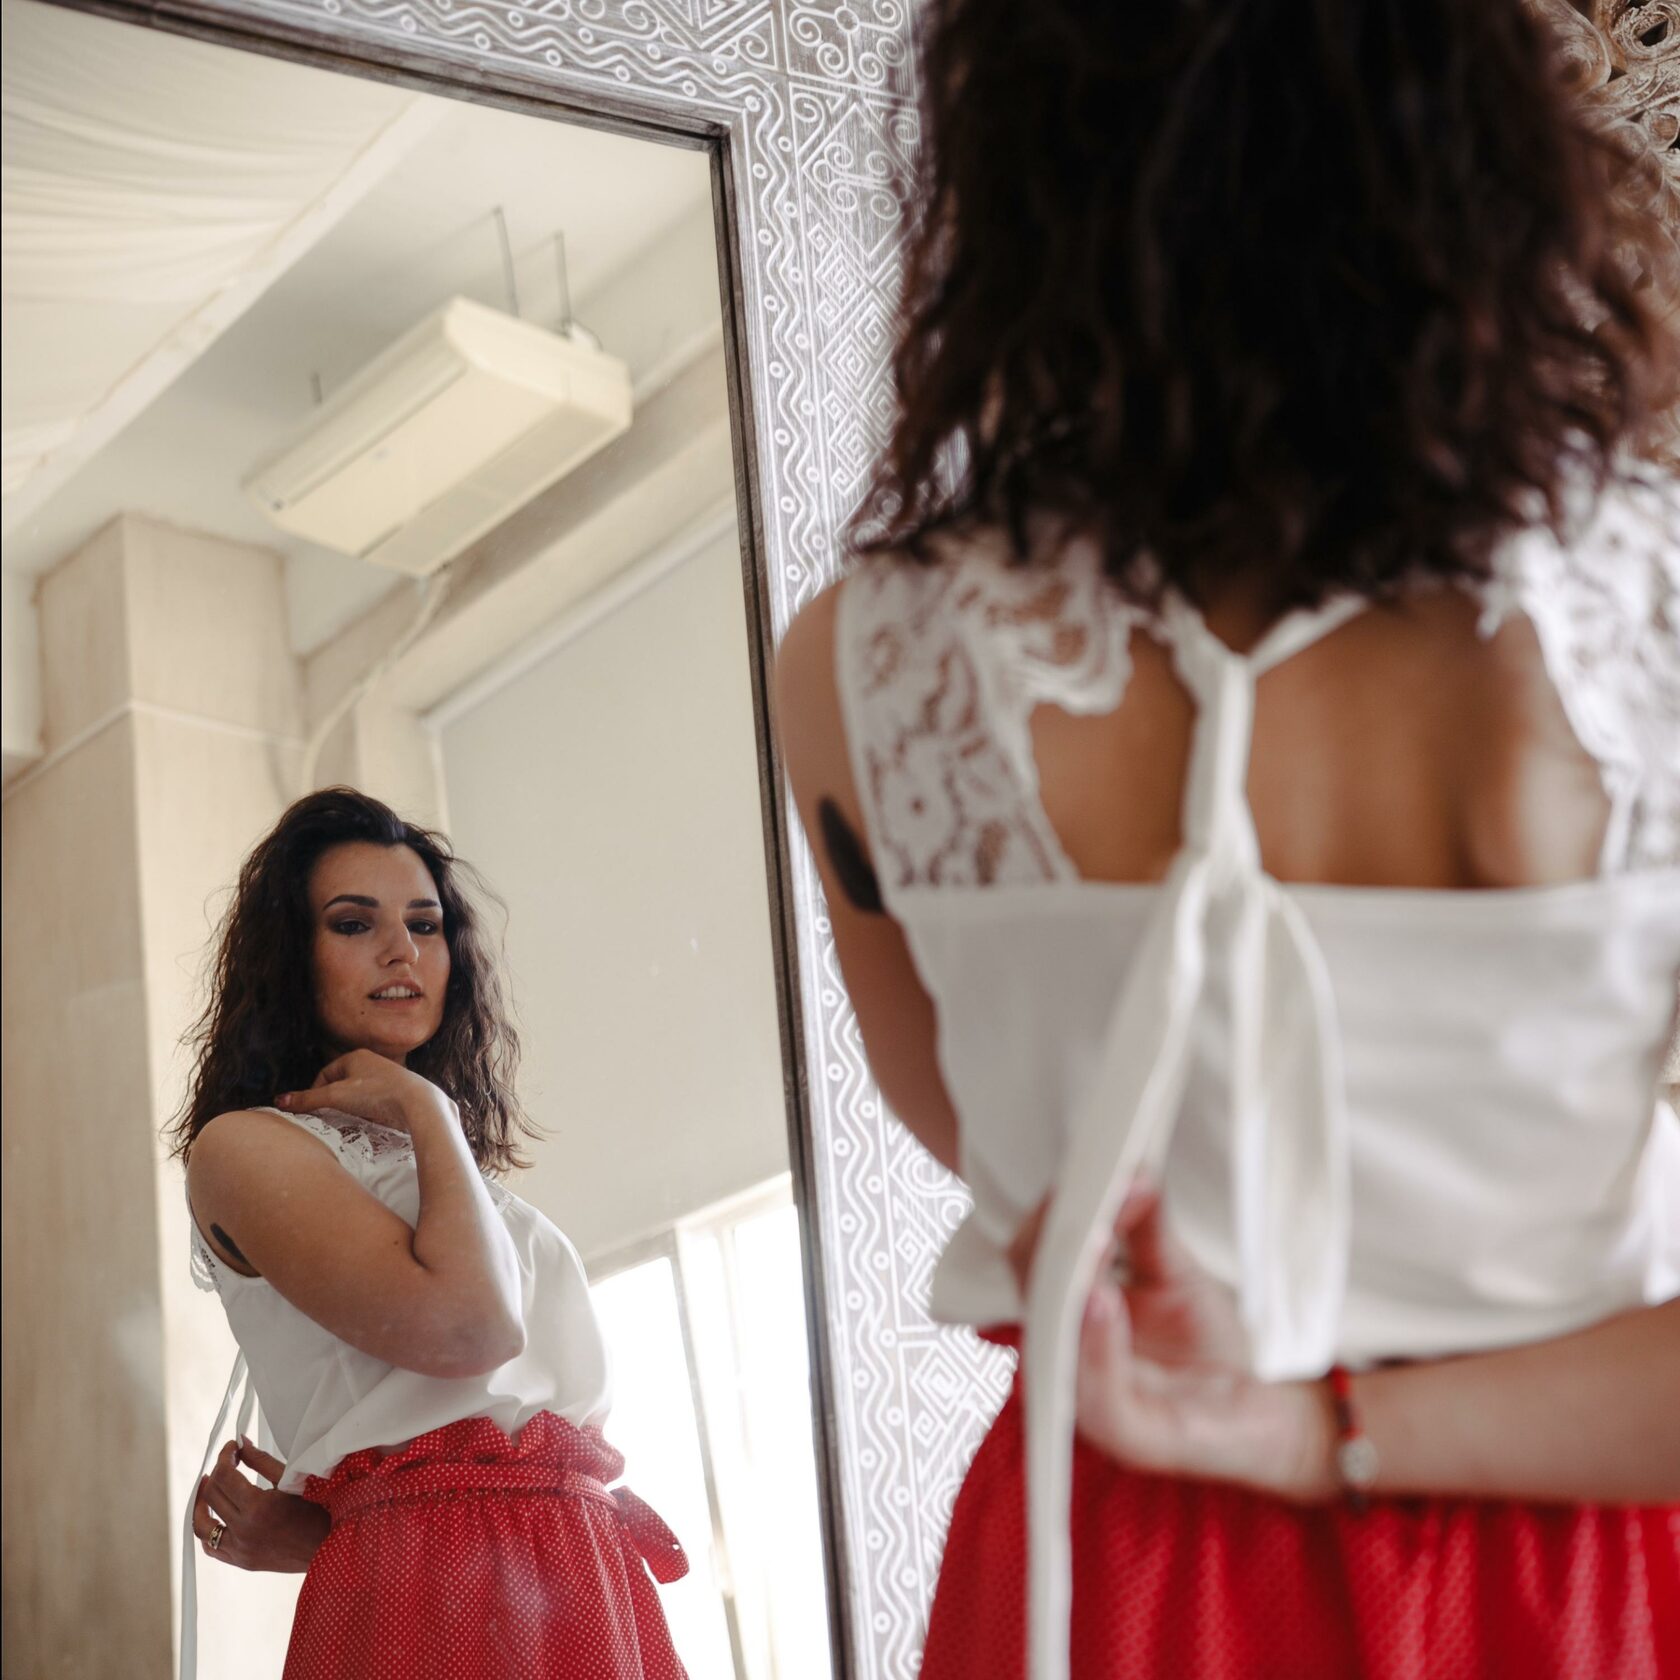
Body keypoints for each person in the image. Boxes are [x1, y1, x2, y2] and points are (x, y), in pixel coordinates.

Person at [774, 2, 1680, 1676]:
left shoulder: (857, 666)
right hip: (1567, 1554)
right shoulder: (1650, 606)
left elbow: (968, 1113)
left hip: (1117, 1554)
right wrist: (1332, 1433)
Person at [174, 788, 688, 1679]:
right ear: (289, 957)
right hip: (437, 1589)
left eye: (425, 924)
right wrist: (430, 1109)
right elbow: (469, 1334)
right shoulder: (245, 1149)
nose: (402, 950)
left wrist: (330, 1532)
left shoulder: (451, 1177)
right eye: (352, 924)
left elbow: (486, 1426)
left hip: (581, 1574)